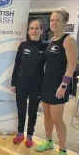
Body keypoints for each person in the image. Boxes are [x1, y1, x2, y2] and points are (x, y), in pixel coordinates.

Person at [36, 9, 77, 155]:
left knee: (57, 119)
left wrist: (64, 86)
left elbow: (72, 65)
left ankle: (63, 150)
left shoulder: (68, 40)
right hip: (46, 84)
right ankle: (48, 142)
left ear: (64, 22)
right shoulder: (51, 40)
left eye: (57, 20)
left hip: (59, 86)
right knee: (46, 116)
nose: (53, 23)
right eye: (52, 20)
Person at [11, 20, 48, 148]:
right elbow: (16, 65)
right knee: (21, 110)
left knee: (32, 111)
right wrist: (13, 82)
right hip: (21, 83)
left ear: (41, 31)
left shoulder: (45, 46)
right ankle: (20, 133)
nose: (33, 31)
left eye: (37, 28)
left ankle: (30, 135)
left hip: (36, 85)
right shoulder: (23, 45)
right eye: (31, 28)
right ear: (28, 31)